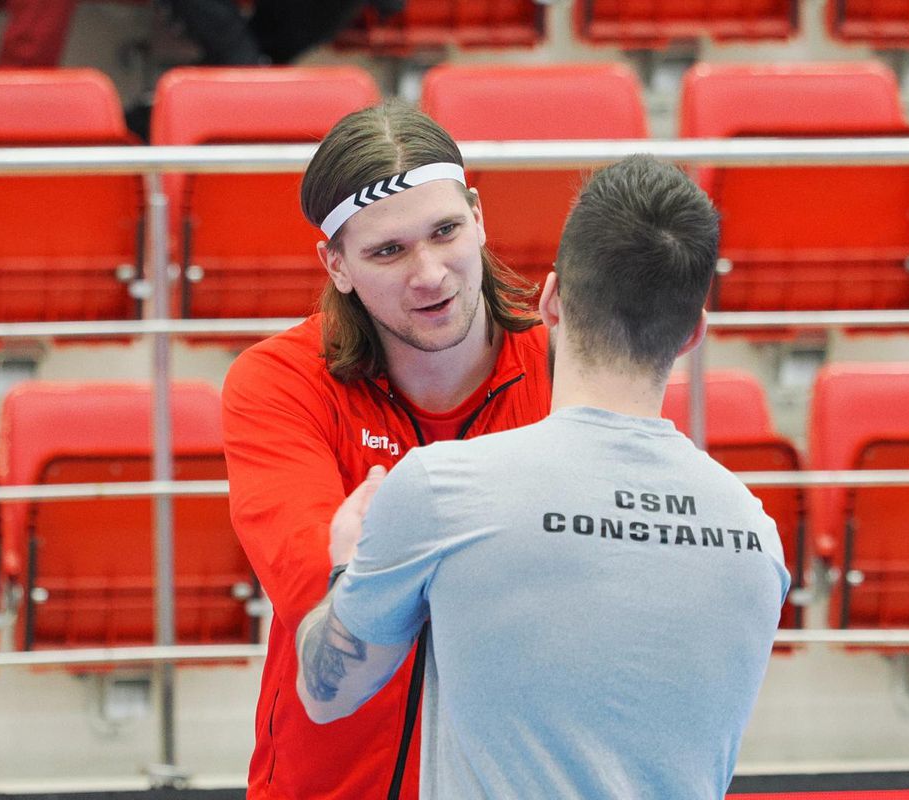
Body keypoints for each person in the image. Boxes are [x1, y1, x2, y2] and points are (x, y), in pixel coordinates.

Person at [296, 154, 791, 798]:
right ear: (694, 332)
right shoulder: (756, 537)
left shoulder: (445, 489)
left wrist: (346, 567)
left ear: (551, 299)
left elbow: (326, 693)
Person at [221, 101, 551, 799]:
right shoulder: (279, 383)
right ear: (336, 264)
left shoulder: (565, 367)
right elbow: (323, 608)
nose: (429, 273)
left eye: (444, 231)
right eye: (388, 251)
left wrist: (384, 559)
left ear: (478, 216)